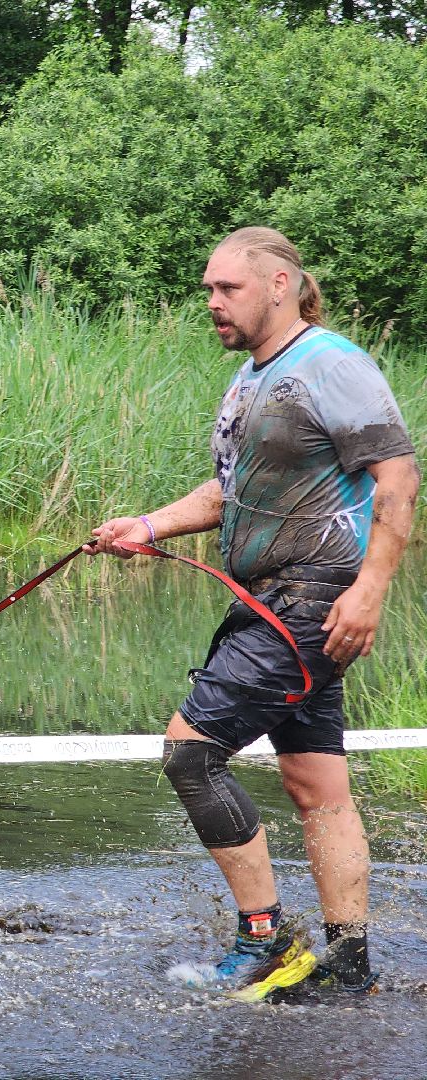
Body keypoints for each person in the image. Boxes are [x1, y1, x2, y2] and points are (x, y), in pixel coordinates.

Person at [88, 226, 419, 994]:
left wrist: (368, 592)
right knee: (315, 785)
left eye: (226, 288)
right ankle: (349, 963)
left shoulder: (331, 365)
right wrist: (146, 526)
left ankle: (266, 937)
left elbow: (397, 479)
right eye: (208, 289)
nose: (212, 302)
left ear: (280, 284)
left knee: (190, 752)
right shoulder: (249, 381)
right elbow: (228, 494)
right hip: (273, 600)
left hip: (311, 600)